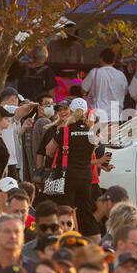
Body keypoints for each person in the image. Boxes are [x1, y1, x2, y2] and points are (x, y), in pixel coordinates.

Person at [40, 98, 108, 235]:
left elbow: (48, 151)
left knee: (65, 210)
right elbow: (90, 155)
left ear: (71, 110)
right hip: (86, 178)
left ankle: (66, 238)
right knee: (85, 212)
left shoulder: (64, 130)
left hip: (67, 177)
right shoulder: (92, 132)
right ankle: (94, 239)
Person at [82, 48, 128, 128]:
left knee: (96, 139)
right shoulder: (121, 75)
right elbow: (125, 92)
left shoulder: (95, 72)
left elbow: (83, 90)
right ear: (114, 61)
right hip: (115, 115)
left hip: (97, 115)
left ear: (101, 58)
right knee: (112, 139)